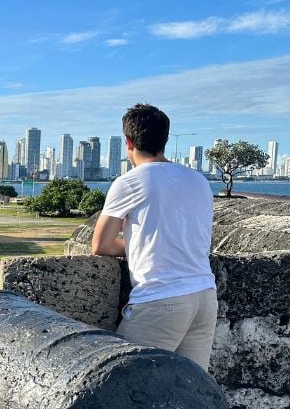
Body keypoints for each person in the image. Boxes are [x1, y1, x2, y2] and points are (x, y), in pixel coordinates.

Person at [92, 103, 218, 370]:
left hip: (161, 298)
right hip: (204, 297)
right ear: (165, 139)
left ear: (128, 141)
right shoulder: (198, 180)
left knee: (126, 384)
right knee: (190, 392)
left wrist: (137, 246)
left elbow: (101, 244)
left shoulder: (129, 181)